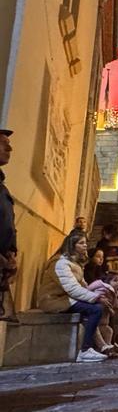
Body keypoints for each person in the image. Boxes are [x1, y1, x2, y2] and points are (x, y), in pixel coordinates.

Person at [36, 233, 111, 363]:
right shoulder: (61, 263)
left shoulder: (74, 263)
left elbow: (82, 285)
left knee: (96, 308)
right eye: (81, 243)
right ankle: (85, 350)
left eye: (85, 243)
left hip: (66, 298)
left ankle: (100, 346)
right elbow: (72, 288)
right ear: (72, 246)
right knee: (95, 309)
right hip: (54, 300)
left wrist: (98, 294)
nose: (85, 246)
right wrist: (96, 297)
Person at [0, 128, 16, 322]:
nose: (9, 149)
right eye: (4, 144)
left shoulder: (2, 187)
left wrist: (12, 251)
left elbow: (8, 222)